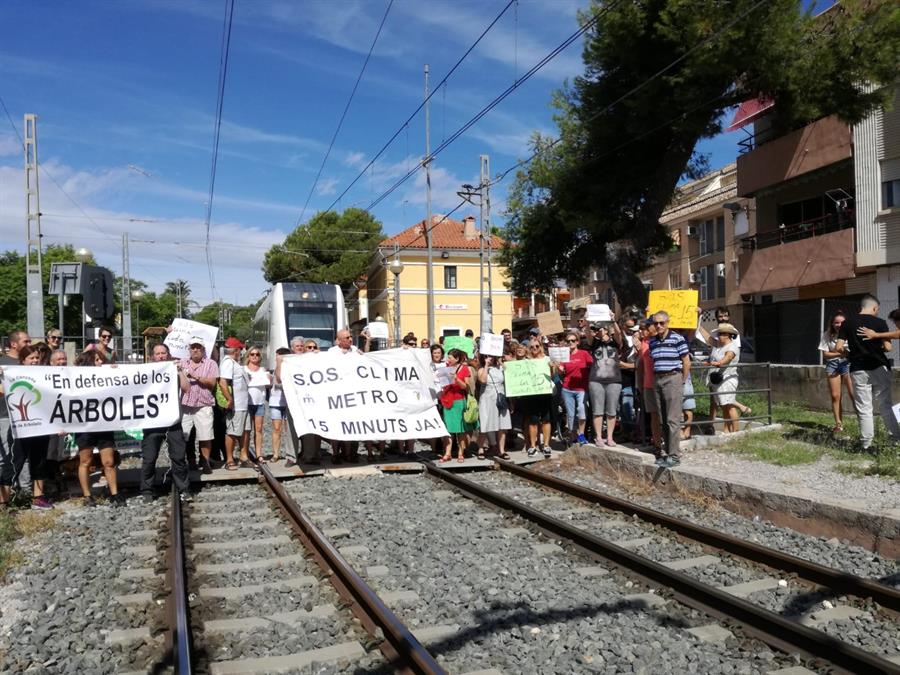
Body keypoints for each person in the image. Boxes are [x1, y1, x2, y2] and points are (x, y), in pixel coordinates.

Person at [835, 294, 900, 449]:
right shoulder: (880, 322)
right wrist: (877, 342)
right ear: (875, 307)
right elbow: (888, 347)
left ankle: (866, 444)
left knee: (864, 407)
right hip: (879, 365)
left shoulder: (847, 323)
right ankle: (896, 439)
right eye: (877, 310)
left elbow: (838, 347)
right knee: (885, 404)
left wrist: (848, 354)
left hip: (858, 368)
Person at [3, 344, 53, 509]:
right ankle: (3, 501)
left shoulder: (45, 374)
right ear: (22, 361)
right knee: (15, 462)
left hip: (41, 426)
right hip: (20, 427)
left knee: (39, 461)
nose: (35, 361)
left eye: (37, 358)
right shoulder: (12, 375)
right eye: (31, 358)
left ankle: (38, 498)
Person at [141, 343, 191, 502]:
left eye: (163, 353)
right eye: (158, 353)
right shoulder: (144, 371)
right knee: (149, 458)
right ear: (152, 356)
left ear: (168, 355)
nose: (161, 356)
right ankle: (147, 490)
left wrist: (180, 371)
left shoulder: (173, 369)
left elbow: (186, 388)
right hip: (152, 422)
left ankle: (183, 488)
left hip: (172, 421)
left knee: (178, 457)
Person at [74, 350, 123, 506]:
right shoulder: (77, 379)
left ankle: (114, 493)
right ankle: (87, 495)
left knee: (108, 462)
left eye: (100, 360)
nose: (100, 362)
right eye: (97, 360)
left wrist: (117, 372)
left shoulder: (106, 376)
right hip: (85, 426)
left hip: (104, 424)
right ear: (89, 362)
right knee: (85, 461)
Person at [647, 311, 690, 467]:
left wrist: (682, 381)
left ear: (668, 323)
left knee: (672, 419)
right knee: (662, 419)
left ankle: (674, 455)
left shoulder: (678, 339)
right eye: (656, 323)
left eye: (661, 323)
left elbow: (686, 361)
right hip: (658, 378)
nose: (658, 326)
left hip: (673, 378)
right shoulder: (652, 342)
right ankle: (666, 452)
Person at [0, 330, 31, 507]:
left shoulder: (25, 362)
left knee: (22, 456)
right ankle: (3, 501)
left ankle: (22, 493)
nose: (29, 344)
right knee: (5, 458)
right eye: (25, 342)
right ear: (14, 344)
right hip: (4, 416)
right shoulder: (3, 363)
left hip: (25, 418)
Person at [179, 338, 219, 474]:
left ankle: (205, 460)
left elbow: (212, 383)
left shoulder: (211, 364)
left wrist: (195, 377)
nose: (195, 350)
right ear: (189, 349)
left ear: (203, 349)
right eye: (193, 347)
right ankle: (189, 460)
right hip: (186, 404)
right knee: (185, 435)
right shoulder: (182, 362)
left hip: (203, 404)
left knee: (205, 435)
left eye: (198, 347)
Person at [818, 310, 854, 435]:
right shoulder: (828, 334)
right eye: (836, 322)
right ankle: (838, 424)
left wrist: (843, 354)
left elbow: (852, 352)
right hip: (832, 365)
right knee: (835, 396)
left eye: (841, 322)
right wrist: (841, 352)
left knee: (853, 395)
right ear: (832, 323)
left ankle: (863, 423)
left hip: (848, 364)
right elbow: (825, 354)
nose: (839, 324)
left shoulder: (851, 333)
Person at [219, 337, 251, 469]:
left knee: (245, 431)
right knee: (232, 432)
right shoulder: (228, 363)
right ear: (236, 350)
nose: (242, 352)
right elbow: (223, 382)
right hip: (236, 405)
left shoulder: (234, 363)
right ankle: (229, 459)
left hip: (243, 404)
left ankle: (244, 457)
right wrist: (229, 399)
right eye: (241, 349)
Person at [521, 340, 557, 458]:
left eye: (537, 346)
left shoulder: (547, 359)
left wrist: (552, 368)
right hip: (532, 394)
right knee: (533, 421)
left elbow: (552, 376)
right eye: (532, 347)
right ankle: (533, 446)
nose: (534, 348)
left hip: (545, 392)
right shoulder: (526, 361)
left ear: (541, 347)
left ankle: (546, 445)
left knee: (546, 419)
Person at [589, 324, 623, 447]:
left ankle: (609, 437)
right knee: (597, 411)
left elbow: (619, 335)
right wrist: (588, 322)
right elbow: (588, 334)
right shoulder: (595, 342)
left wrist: (613, 321)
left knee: (611, 411)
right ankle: (598, 437)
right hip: (596, 380)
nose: (599, 331)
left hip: (614, 380)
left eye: (601, 328)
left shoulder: (615, 342)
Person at [558, 331, 594, 446]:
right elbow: (561, 371)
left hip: (581, 388)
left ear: (577, 342)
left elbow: (593, 364)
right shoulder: (564, 355)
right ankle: (573, 436)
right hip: (567, 388)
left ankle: (581, 434)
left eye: (573, 340)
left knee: (582, 411)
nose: (570, 343)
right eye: (568, 341)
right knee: (570, 414)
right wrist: (558, 367)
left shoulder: (584, 353)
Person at [439, 348, 474, 462]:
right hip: (448, 400)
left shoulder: (464, 369)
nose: (447, 359)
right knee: (448, 428)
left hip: (459, 401)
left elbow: (466, 387)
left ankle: (460, 452)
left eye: (450, 357)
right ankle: (447, 453)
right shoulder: (445, 369)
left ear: (457, 358)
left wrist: (456, 378)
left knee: (460, 429)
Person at [707, 323, 741, 434]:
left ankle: (736, 432)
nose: (719, 335)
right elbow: (707, 338)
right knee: (725, 406)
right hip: (720, 380)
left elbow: (729, 356)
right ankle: (727, 430)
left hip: (727, 379)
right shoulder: (719, 346)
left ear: (729, 335)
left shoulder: (732, 346)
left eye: (722, 333)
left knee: (730, 405)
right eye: (719, 333)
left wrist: (719, 363)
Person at [476, 354, 511, 459]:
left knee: (502, 425)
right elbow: (482, 380)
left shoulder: (500, 368)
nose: (489, 358)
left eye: (491, 356)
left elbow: (510, 373)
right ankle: (481, 448)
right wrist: (486, 365)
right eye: (487, 356)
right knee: (485, 423)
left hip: (500, 398)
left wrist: (500, 361)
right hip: (487, 398)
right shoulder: (481, 369)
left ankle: (501, 450)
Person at [244, 345, 272, 461]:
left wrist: (270, 381)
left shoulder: (263, 370)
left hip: (259, 403)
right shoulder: (243, 369)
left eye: (257, 354)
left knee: (259, 429)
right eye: (252, 354)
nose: (255, 356)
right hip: (246, 403)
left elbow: (268, 385)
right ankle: (244, 453)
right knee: (246, 430)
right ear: (248, 356)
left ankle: (259, 453)